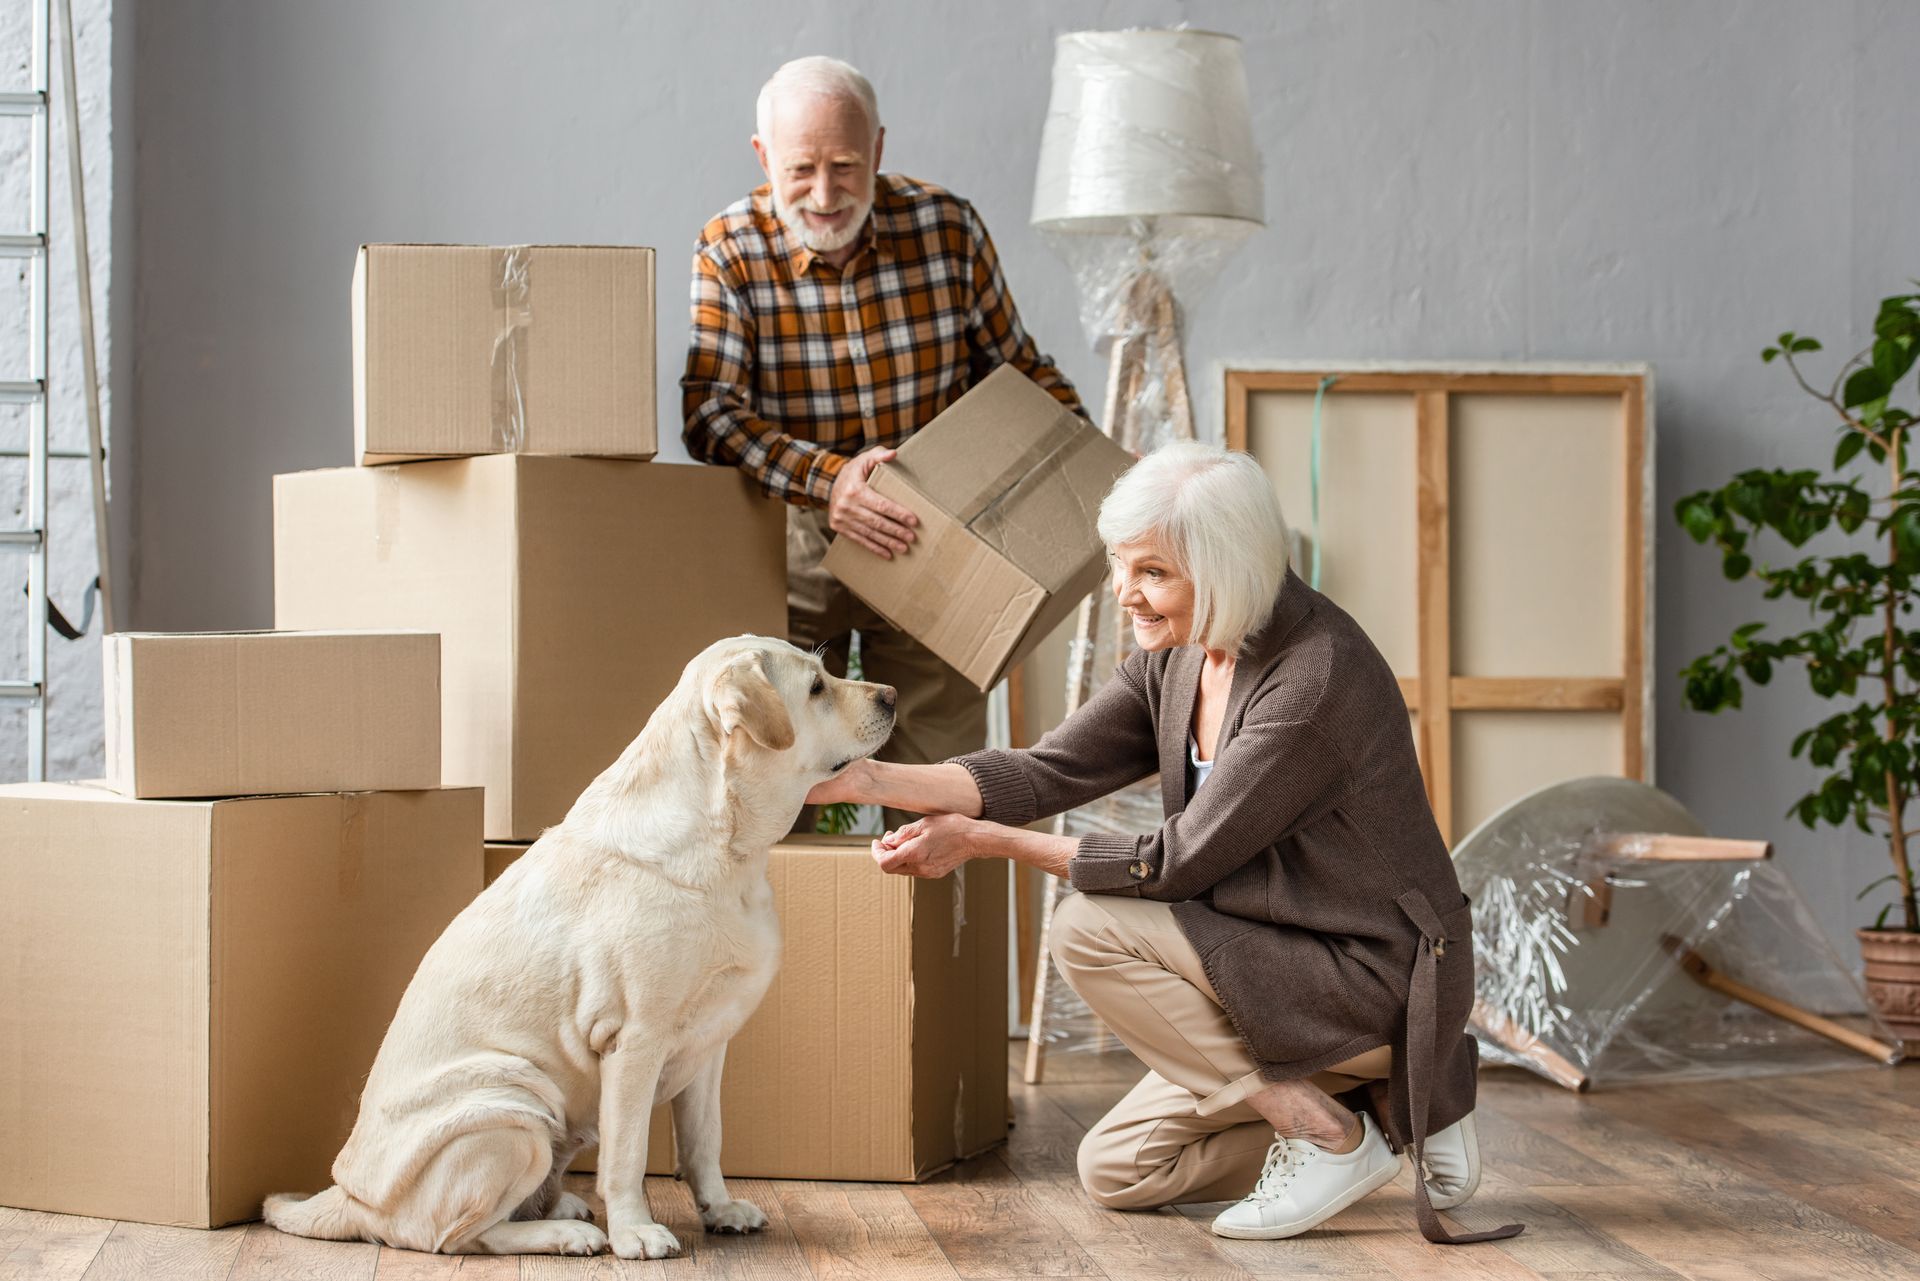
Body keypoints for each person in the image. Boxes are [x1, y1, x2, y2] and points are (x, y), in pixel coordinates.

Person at [806, 442, 1522, 1245]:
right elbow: (1047, 770)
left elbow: (1177, 862)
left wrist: (985, 841)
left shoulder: (1314, 683)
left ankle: (1329, 1136)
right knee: (1117, 1170)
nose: (1126, 594)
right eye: (1122, 566)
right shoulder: (1179, 655)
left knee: (1086, 925)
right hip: (1269, 957)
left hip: (1375, 972)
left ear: (1225, 569)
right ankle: (1390, 1109)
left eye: (1152, 573)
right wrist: (866, 779)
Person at [683, 55, 1086, 827]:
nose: (826, 194)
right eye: (802, 169)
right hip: (795, 535)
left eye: (845, 165)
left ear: (878, 149)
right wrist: (831, 481)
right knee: (773, 779)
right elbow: (709, 412)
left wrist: (1094, 461)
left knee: (943, 781)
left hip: (932, 535)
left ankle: (932, 946)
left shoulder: (948, 228)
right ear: (765, 157)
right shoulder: (729, 247)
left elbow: (1018, 369)